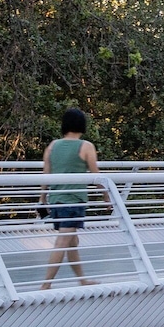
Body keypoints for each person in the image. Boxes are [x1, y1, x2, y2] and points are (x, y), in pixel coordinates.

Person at [40, 109, 100, 289]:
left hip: (56, 200)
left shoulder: (52, 146)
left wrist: (43, 199)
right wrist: (107, 196)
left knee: (73, 241)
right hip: (73, 201)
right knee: (63, 241)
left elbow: (46, 175)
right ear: (82, 125)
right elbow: (96, 175)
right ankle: (46, 285)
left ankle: (82, 280)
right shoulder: (86, 146)